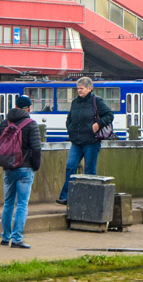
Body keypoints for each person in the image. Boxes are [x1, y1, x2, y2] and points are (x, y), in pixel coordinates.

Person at [57, 77, 114, 205]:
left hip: (91, 142)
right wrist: (70, 128)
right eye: (78, 88)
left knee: (89, 169)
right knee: (70, 166)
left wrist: (98, 125)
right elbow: (70, 117)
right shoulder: (75, 102)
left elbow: (109, 115)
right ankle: (66, 196)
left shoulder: (97, 101)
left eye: (81, 88)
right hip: (76, 141)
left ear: (89, 88)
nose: (79, 91)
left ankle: (90, 197)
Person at [0, 95, 41, 249]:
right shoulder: (31, 124)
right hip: (25, 168)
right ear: (29, 108)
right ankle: (17, 239)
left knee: (8, 203)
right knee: (22, 204)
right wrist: (35, 166)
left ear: (16, 106)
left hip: (8, 168)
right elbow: (36, 148)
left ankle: (5, 237)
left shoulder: (4, 123)